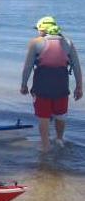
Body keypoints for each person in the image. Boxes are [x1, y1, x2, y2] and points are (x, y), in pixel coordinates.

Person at [21, 16, 82, 152]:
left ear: (43, 29)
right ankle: (59, 139)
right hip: (61, 88)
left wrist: (24, 85)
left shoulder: (35, 43)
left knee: (43, 117)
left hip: (41, 88)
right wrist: (79, 87)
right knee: (61, 115)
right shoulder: (68, 42)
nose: (37, 32)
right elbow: (77, 67)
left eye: (38, 29)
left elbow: (27, 67)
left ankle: (45, 145)